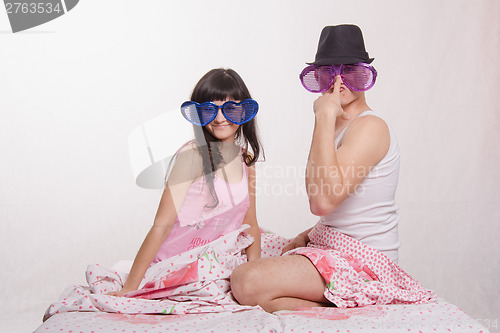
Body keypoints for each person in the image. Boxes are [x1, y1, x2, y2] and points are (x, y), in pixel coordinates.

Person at [231, 25, 434, 312]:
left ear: (365, 74)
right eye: (328, 73)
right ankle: (329, 303)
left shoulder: (370, 127)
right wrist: (309, 234)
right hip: (333, 246)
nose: (338, 83)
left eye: (350, 71)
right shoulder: (338, 127)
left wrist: (323, 117)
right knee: (247, 250)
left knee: (245, 280)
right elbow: (338, 203)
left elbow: (322, 201)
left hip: (365, 263)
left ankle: (350, 302)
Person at [109, 68, 263, 297]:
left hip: (220, 266)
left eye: (230, 108)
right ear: (198, 114)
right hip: (178, 266)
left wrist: (255, 273)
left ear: (244, 112)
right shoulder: (192, 157)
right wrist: (130, 287)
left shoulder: (246, 160)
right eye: (210, 110)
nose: (220, 118)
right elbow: (161, 225)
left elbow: (250, 222)